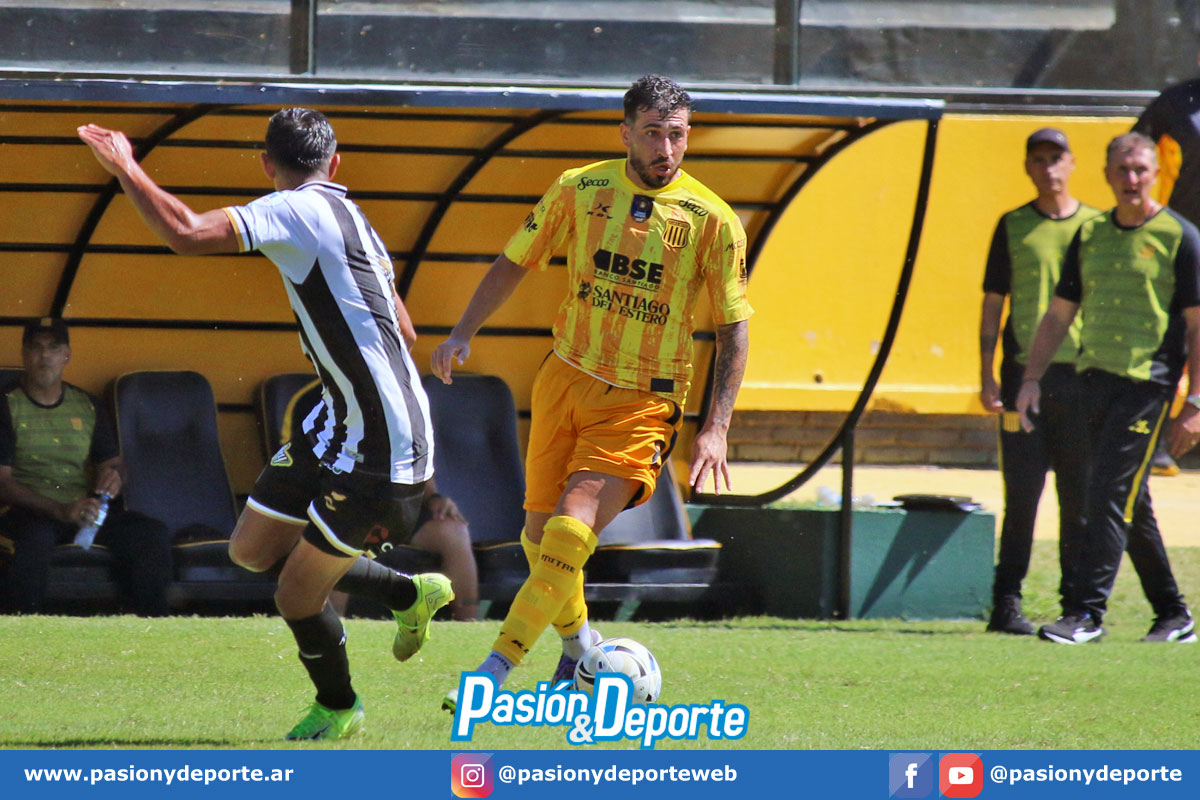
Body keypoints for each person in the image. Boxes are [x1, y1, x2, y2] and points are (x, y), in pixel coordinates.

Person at [78, 108, 454, 740]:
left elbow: (186, 233)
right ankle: (407, 593)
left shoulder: (294, 209)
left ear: (266, 165)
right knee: (250, 549)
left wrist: (125, 166)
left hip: (382, 445)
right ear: (335, 163)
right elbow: (407, 331)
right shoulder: (350, 214)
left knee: (295, 595)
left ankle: (339, 707)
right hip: (340, 419)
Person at [432, 75, 751, 710]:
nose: (666, 148)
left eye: (677, 134)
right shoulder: (580, 189)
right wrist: (462, 331)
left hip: (642, 399)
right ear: (625, 132)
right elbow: (516, 260)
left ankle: (493, 671)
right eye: (653, 133)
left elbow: (733, 327)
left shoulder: (713, 221)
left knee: (570, 528)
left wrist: (716, 426)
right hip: (565, 377)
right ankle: (580, 647)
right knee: (537, 538)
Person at [1017, 132, 1199, 644]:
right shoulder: (1092, 233)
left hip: (1147, 386)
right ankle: (1174, 615)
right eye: (1122, 169)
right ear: (1105, 175)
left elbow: (1197, 325)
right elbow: (1059, 314)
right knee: (1129, 502)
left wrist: (1195, 402)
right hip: (1093, 381)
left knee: (1106, 493)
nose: (1131, 179)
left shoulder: (1180, 236)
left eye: (1140, 169)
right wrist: (1030, 378)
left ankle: (1085, 614)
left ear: (1156, 174)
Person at [978, 128, 1093, 635]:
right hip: (1020, 377)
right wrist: (986, 373)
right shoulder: (1013, 225)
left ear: (1072, 162)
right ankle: (1006, 605)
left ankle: (1076, 606)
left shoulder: (1096, 227)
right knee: (1022, 494)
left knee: (1077, 495)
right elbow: (993, 303)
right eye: (1039, 159)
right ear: (1027, 167)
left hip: (1080, 379)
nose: (1048, 168)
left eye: (1056, 158)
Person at [0, 319, 173, 617]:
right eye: (36, 348)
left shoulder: (87, 405)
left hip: (82, 511)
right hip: (27, 513)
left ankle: (151, 630)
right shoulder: (5, 404)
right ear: (24, 354)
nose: (45, 356)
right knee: (33, 543)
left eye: (54, 348)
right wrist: (60, 510)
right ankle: (25, 632)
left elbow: (113, 463)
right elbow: (3, 484)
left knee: (151, 534)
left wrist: (115, 477)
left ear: (66, 355)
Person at [1131, 65, 1200, 476]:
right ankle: (1155, 440)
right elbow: (1132, 149)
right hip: (1184, 240)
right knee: (1172, 339)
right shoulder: (1177, 102)